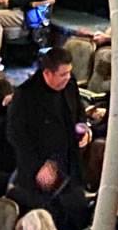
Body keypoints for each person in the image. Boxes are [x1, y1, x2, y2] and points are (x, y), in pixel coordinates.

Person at [7, 47, 86, 193]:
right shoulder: (25, 95)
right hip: (40, 166)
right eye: (63, 74)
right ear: (47, 73)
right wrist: (38, 166)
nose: (68, 77)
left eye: (69, 72)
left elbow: (79, 111)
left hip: (70, 158)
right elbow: (16, 135)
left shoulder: (69, 82)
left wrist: (85, 130)